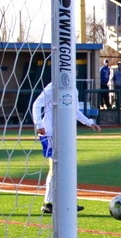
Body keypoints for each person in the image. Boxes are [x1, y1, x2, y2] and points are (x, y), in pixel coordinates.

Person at [31, 81, 102, 214]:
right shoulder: (53, 86)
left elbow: (74, 111)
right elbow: (36, 105)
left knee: (65, 168)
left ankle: (62, 203)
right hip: (50, 134)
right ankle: (49, 203)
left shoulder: (73, 90)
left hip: (65, 134)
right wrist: (39, 124)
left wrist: (89, 122)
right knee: (56, 168)